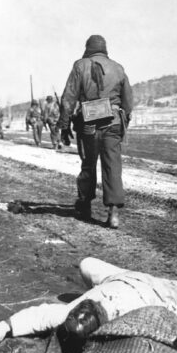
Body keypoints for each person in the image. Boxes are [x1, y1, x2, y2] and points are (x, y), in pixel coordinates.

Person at [0, 257, 177, 351]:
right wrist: (7, 326)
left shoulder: (71, 311)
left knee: (86, 264)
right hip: (159, 290)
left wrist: (6, 325)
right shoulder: (126, 321)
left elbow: (42, 316)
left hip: (123, 279)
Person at [59, 35, 133, 229]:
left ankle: (84, 203)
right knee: (112, 165)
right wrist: (124, 119)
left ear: (88, 48)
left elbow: (68, 97)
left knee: (89, 164)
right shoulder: (118, 68)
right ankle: (114, 212)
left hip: (89, 123)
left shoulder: (80, 65)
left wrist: (64, 124)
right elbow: (127, 101)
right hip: (114, 121)